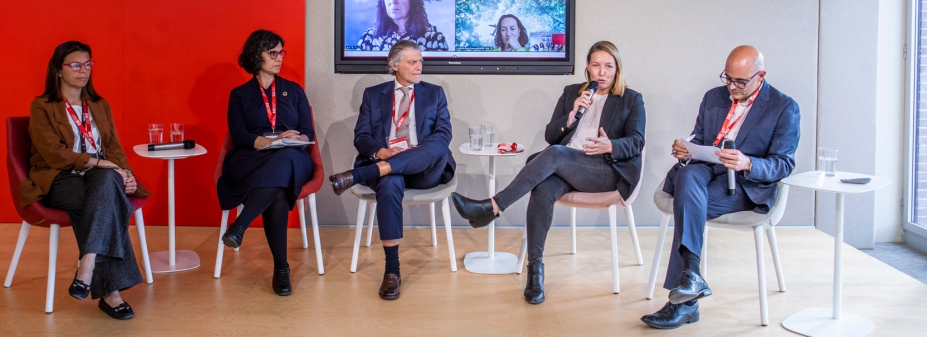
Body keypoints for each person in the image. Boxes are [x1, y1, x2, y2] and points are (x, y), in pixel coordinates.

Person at [452, 41, 645, 304]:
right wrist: (571, 116)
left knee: (553, 154)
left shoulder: (631, 99)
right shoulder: (571, 93)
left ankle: (493, 206)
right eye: (597, 65)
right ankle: (536, 272)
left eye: (608, 66)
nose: (602, 72)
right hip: (568, 167)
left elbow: (636, 141)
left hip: (605, 170)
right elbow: (552, 135)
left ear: (617, 68)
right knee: (543, 187)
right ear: (588, 66)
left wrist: (610, 144)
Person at [641, 45, 799, 330]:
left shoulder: (784, 107)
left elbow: (783, 164)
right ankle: (690, 278)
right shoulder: (713, 97)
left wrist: (748, 162)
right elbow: (700, 137)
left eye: (740, 81)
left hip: (742, 185)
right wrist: (686, 149)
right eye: (727, 78)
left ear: (760, 76)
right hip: (704, 171)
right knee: (688, 178)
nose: (732, 86)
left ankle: (684, 301)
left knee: (687, 200)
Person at [24, 41, 150, 320]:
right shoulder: (42, 106)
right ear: (58, 69)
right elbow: (53, 154)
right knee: (105, 200)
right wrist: (96, 161)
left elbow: (113, 147)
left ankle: (88, 264)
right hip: (60, 177)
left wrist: (126, 173)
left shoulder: (99, 104)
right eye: (76, 65)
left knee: (105, 188)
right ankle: (111, 293)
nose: (84, 70)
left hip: (101, 176)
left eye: (88, 64)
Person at [329, 40, 455, 300]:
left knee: (439, 145)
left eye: (421, 61)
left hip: (424, 171)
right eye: (413, 62)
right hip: (387, 167)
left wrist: (409, 154)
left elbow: (443, 135)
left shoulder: (435, 93)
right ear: (395, 65)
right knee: (388, 182)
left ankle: (358, 176)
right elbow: (362, 137)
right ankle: (392, 271)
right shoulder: (373, 94)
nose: (420, 67)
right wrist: (383, 153)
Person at [218, 30, 314, 297]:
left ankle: (241, 225)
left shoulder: (294, 91)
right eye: (272, 53)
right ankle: (281, 269)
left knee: (286, 158)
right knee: (279, 192)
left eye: (281, 52)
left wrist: (293, 138)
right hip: (252, 159)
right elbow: (239, 136)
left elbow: (308, 131)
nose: (279, 58)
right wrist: (272, 141)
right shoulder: (239, 94)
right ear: (256, 54)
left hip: (294, 158)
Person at [358, 0, 449, 52]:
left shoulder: (434, 38)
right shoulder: (369, 37)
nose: (393, 1)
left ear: (412, 0)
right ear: (383, 1)